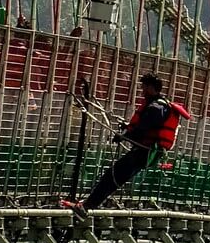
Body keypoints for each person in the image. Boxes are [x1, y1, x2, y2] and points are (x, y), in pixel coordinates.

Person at [70, 73, 190, 218]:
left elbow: (141, 130)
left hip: (144, 152)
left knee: (112, 176)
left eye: (144, 87)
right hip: (146, 152)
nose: (142, 91)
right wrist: (128, 128)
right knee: (114, 177)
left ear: (151, 88)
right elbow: (146, 127)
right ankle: (88, 204)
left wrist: (123, 136)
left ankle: (87, 207)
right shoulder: (161, 105)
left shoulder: (156, 107)